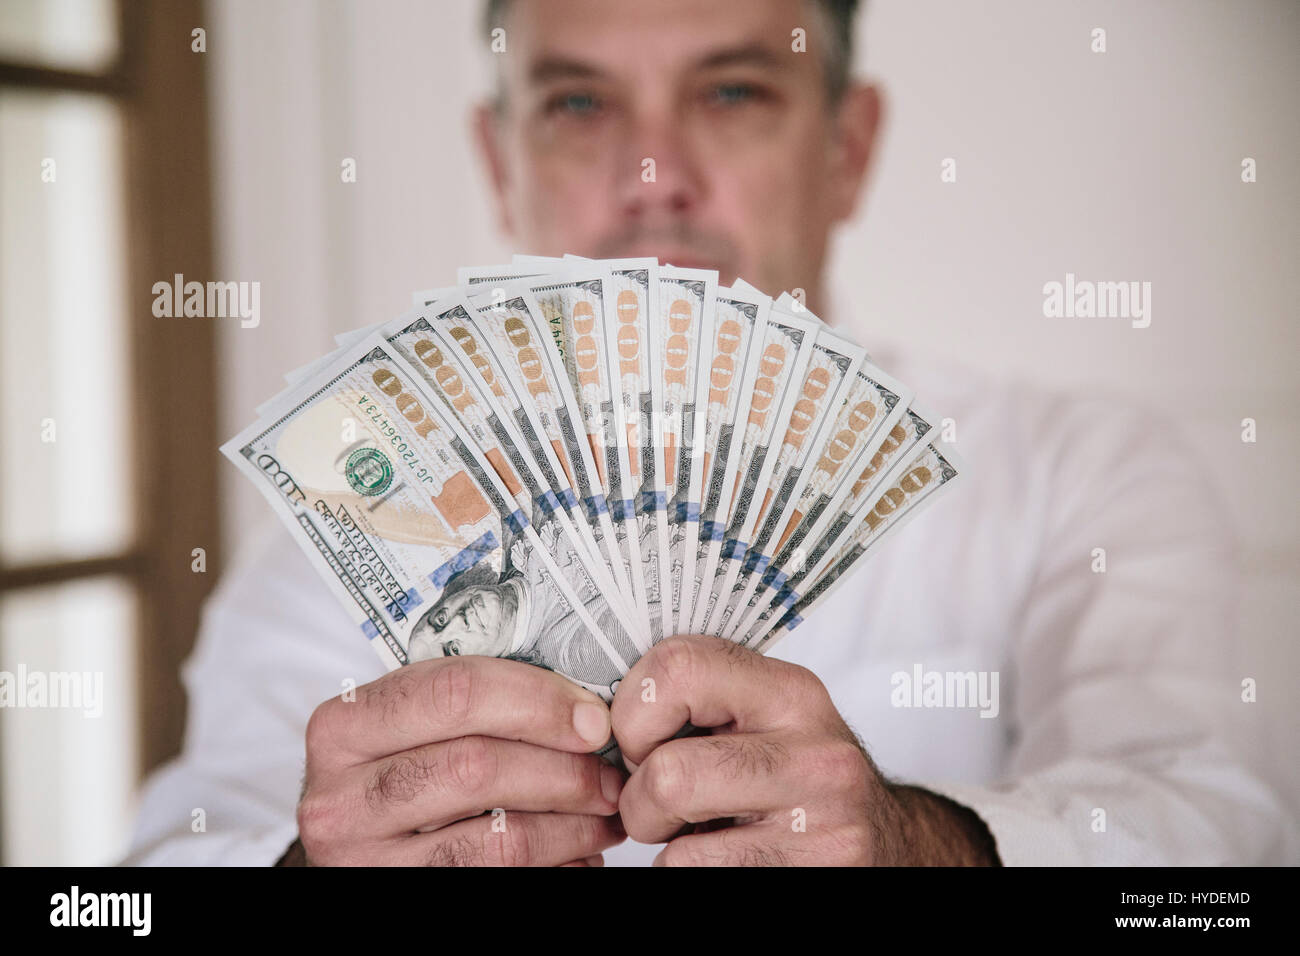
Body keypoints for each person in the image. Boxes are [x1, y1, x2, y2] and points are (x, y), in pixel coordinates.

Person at [123, 0, 1296, 866]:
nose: (653, 175)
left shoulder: (1082, 475)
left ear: (847, 147)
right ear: (499, 160)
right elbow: (139, 883)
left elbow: (1218, 847)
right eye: (578, 103)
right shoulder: (349, 528)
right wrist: (298, 868)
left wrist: (928, 849)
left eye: (732, 90)